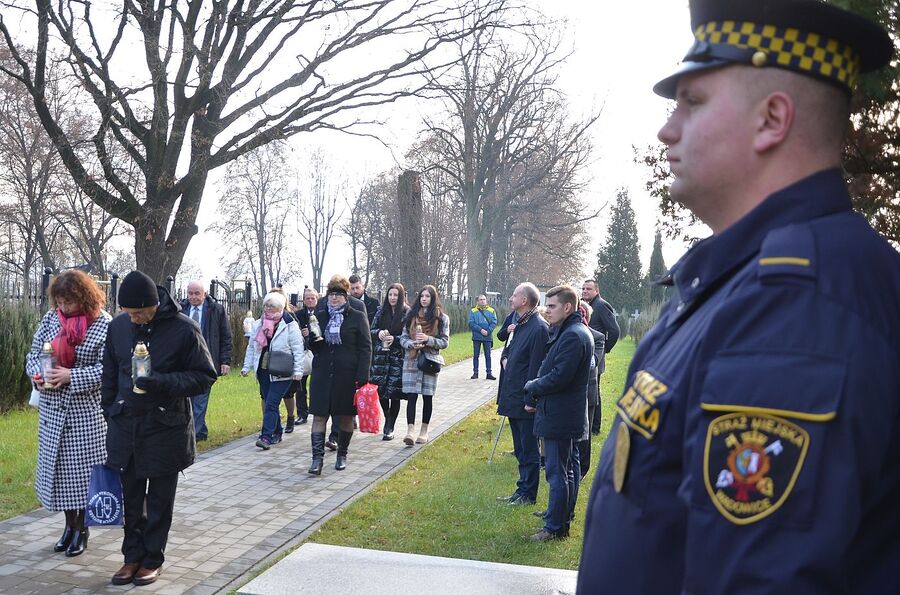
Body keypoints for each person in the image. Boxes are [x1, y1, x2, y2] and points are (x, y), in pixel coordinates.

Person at [577, 1, 900, 593]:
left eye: (693, 103)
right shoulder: (740, 280)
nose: (666, 128)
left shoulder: (798, 310)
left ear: (773, 119)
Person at [102, 271, 217, 586]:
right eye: (130, 313)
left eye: (141, 312)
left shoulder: (184, 329)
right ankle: (131, 557)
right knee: (130, 497)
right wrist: (110, 407)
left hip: (166, 425)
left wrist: (162, 383)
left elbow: (204, 376)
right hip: (126, 426)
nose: (136, 318)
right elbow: (109, 370)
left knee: (159, 501)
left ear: (155, 304)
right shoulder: (118, 327)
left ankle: (152, 559)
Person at [25, 270, 110, 557]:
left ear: (84, 297)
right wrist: (38, 374)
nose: (63, 307)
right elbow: (34, 354)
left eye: (69, 301)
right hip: (52, 412)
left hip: (84, 415)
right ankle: (68, 525)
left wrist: (72, 376)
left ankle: (82, 528)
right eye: (59, 301)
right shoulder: (50, 319)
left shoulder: (103, 324)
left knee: (81, 477)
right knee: (59, 477)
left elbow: (108, 368)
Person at [523, 285, 592, 542]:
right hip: (565, 413)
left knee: (557, 472)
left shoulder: (573, 335)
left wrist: (532, 386)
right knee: (568, 469)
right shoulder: (569, 331)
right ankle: (561, 515)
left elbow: (559, 377)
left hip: (560, 415)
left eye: (551, 306)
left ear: (567, 307)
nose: (546, 310)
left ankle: (554, 527)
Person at [307, 275, 372, 474]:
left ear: (346, 297)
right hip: (323, 374)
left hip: (347, 375)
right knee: (319, 416)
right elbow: (314, 347)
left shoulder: (357, 316)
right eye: (331, 295)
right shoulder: (320, 316)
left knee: (345, 417)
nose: (334, 299)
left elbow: (365, 348)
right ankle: (316, 460)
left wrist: (362, 377)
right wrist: (313, 339)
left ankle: (342, 453)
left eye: (338, 295)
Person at [495, 282, 548, 506]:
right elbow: (508, 349)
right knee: (519, 448)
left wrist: (530, 400)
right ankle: (522, 488)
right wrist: (505, 359)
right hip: (513, 395)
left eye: (514, 295)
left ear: (524, 300)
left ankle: (529, 494)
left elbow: (536, 368)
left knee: (528, 449)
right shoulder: (519, 323)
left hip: (525, 400)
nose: (510, 298)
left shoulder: (538, 327)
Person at [241, 291, 305, 450]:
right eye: (266, 305)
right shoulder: (258, 323)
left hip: (282, 371)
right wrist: (246, 367)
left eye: (272, 306)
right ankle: (277, 432)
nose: (268, 309)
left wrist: (298, 371)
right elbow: (252, 347)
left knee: (271, 403)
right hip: (263, 369)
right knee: (271, 403)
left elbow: (297, 348)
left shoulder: (289, 324)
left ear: (280, 308)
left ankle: (266, 437)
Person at [181, 280, 233, 442]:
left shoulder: (216, 310)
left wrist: (225, 361)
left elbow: (226, 336)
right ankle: (199, 430)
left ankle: (195, 434)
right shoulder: (181, 309)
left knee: (201, 397)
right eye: (190, 293)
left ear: (204, 294)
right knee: (187, 397)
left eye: (197, 293)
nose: (194, 297)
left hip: (207, 360)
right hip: (185, 361)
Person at [399, 285, 450, 445]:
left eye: (427, 296)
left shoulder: (442, 318)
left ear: (433, 298)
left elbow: (445, 342)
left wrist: (428, 340)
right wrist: (411, 344)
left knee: (427, 397)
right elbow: (403, 337)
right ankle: (410, 431)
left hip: (429, 361)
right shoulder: (410, 315)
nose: (424, 299)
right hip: (412, 361)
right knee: (411, 397)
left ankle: (424, 430)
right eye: (422, 296)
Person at [370, 283, 411, 440]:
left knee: (394, 392)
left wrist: (395, 339)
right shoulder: (381, 311)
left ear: (400, 297)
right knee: (381, 392)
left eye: (395, 295)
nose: (392, 298)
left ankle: (390, 425)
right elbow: (371, 330)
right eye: (390, 295)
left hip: (397, 357)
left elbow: (410, 335)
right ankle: (387, 418)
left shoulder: (406, 312)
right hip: (381, 357)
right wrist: (379, 333)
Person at [580, 279, 618, 434]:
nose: (584, 291)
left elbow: (614, 330)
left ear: (596, 290)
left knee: (594, 391)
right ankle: (590, 425)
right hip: (588, 353)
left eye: (588, 288)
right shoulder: (585, 305)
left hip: (596, 354)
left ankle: (594, 427)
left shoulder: (601, 305)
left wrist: (604, 350)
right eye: (583, 288)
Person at [575, 300, 604, 479]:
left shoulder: (598, 337)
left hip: (587, 391)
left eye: (582, 313)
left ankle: (582, 470)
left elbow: (593, 362)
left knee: (585, 435)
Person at [292, 287, 320, 427]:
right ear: (304, 300)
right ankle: (302, 413)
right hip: (303, 353)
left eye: (312, 298)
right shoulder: (298, 314)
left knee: (317, 384)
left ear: (317, 298)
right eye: (307, 298)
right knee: (300, 385)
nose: (310, 300)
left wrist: (310, 332)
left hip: (318, 352)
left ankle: (317, 411)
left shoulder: (322, 313)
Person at [468, 294, 497, 380]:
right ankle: (475, 373)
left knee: (488, 356)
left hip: (487, 337)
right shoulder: (473, 311)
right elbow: (471, 323)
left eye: (484, 299)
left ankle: (489, 373)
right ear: (477, 301)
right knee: (476, 356)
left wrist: (488, 331)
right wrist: (480, 330)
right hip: (477, 336)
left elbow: (494, 322)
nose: (482, 301)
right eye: (481, 299)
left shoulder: (492, 311)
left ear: (486, 301)